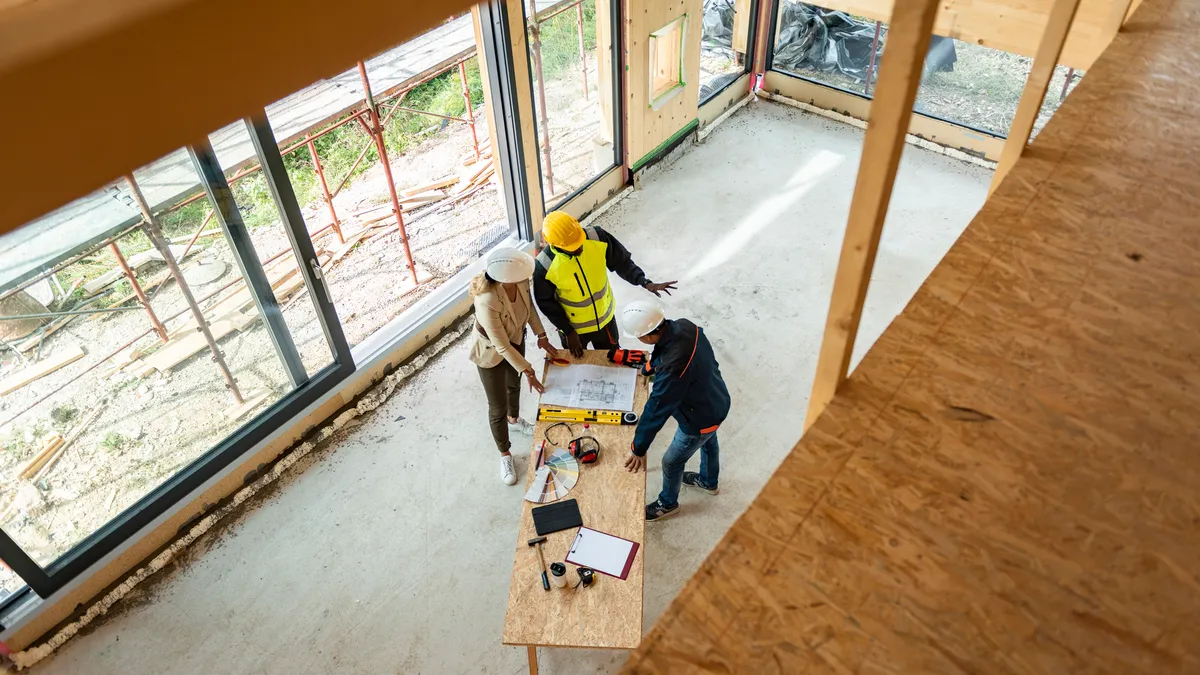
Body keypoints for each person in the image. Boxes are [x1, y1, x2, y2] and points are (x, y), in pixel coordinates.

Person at [620, 301, 730, 522]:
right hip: (717, 400)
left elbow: (656, 409)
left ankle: (667, 503)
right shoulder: (685, 326)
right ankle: (708, 481)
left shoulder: (673, 370)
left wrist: (638, 448)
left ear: (648, 335)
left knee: (671, 461)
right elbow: (668, 351)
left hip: (698, 419)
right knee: (709, 441)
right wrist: (651, 367)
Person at [470, 247, 561, 485]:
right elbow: (501, 346)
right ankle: (505, 453)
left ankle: (515, 420)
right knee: (497, 405)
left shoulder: (519, 281)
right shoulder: (487, 299)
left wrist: (541, 335)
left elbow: (529, 310)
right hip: (491, 352)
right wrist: (529, 370)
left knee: (514, 385)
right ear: (505, 277)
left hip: (515, 339)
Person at [534, 211, 677, 357]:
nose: (579, 248)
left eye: (579, 241)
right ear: (555, 245)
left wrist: (644, 282)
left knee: (613, 357)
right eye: (573, 247)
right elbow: (546, 303)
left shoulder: (598, 238)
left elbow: (622, 262)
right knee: (579, 365)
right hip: (575, 330)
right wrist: (568, 331)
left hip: (605, 321)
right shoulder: (545, 265)